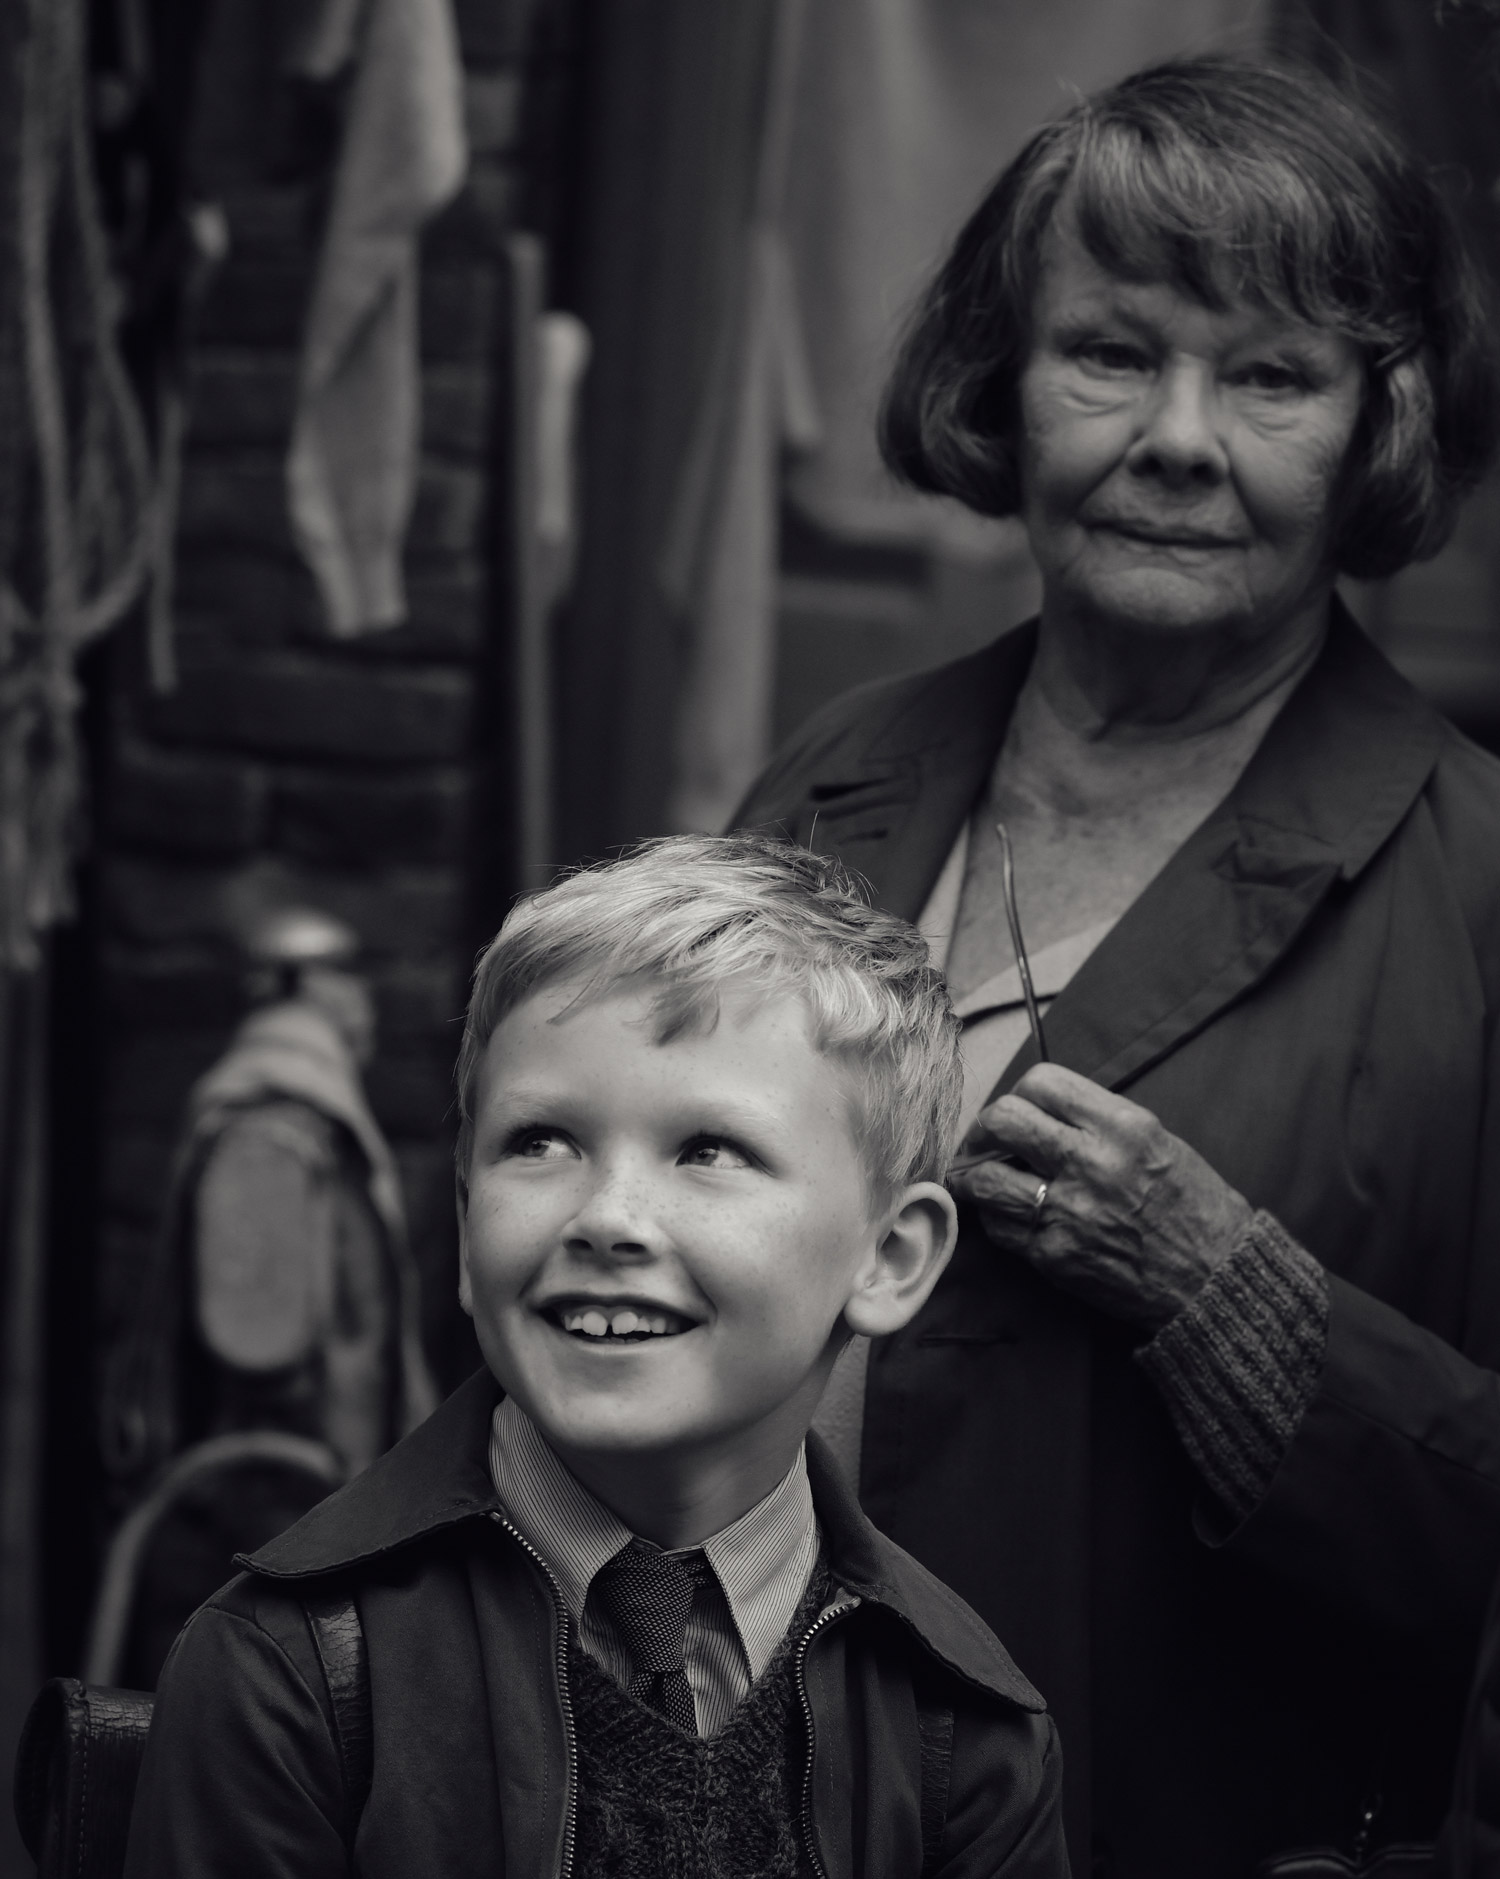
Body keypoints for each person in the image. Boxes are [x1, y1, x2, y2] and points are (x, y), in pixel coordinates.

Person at [735, 55, 1500, 1879]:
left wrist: (1234, 1299)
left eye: (1271, 377)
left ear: (1374, 431)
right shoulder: (832, 775)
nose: (1177, 435)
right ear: (1004, 381)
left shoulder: (1478, 887)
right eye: (1111, 352)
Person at [122, 835, 1071, 1879]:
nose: (607, 1218)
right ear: (464, 1209)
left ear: (889, 1256)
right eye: (540, 1142)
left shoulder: (962, 1729)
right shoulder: (295, 1675)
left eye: (709, 1149)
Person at [98, 906, 436, 1685]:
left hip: (315, 1500)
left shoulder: (295, 1110)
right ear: (306, 987)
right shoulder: (276, 1124)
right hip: (284, 1505)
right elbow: (259, 1334)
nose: (366, 1005)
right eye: (350, 980)